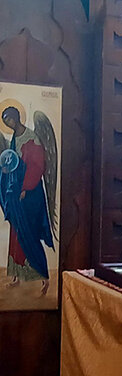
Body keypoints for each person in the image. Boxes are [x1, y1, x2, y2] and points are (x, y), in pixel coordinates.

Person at [0, 107, 54, 295]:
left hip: (30, 194)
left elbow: (37, 166)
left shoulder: (32, 138)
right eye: (5, 121)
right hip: (17, 194)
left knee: (29, 233)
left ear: (16, 117)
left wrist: (25, 187)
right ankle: (16, 275)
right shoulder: (14, 139)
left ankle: (43, 278)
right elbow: (12, 163)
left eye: (9, 119)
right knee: (16, 232)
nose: (8, 123)